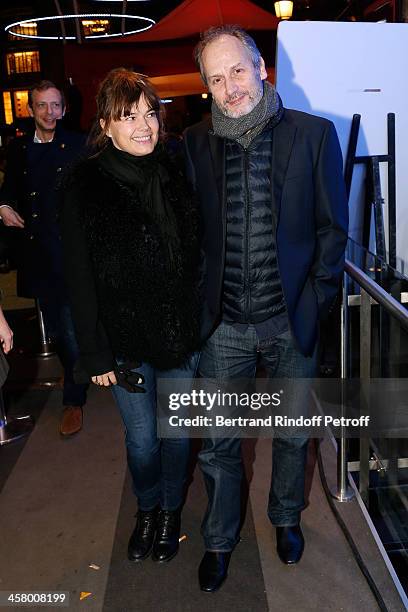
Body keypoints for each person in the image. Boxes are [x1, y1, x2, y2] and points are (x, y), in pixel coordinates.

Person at [183, 25, 349, 591]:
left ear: (261, 68)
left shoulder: (315, 135)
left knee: (291, 434)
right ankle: (220, 540)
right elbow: (191, 235)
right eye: (215, 78)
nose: (229, 87)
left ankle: (285, 519)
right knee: (220, 444)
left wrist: (316, 297)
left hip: (290, 319)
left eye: (235, 70)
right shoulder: (194, 144)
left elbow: (331, 230)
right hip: (223, 325)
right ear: (206, 88)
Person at [59, 68, 201, 564]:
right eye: (129, 116)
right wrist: (94, 353)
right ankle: (148, 509)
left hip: (181, 333)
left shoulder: (177, 167)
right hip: (123, 343)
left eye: (150, 114)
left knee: (178, 437)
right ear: (105, 125)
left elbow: (199, 253)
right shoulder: (84, 186)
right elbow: (78, 277)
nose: (144, 126)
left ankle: (171, 512)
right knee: (143, 442)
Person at [0, 80, 88, 436]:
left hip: (75, 254)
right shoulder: (19, 149)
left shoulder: (79, 145)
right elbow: (7, 191)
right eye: (42, 106)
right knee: (59, 328)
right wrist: (4, 206)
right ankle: (79, 376)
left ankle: (73, 399)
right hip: (41, 256)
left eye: (55, 106)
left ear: (64, 110)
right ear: (31, 110)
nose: (49, 112)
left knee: (70, 327)